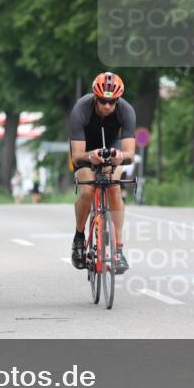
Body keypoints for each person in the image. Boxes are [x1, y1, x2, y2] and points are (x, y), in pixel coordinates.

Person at [70, 71, 136, 274]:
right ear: (95, 97)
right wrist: (91, 156)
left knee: (114, 188)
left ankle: (118, 249)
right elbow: (76, 157)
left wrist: (119, 157)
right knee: (88, 190)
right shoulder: (81, 109)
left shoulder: (126, 111)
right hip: (85, 148)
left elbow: (130, 154)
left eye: (113, 101)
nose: (107, 106)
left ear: (118, 100)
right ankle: (79, 237)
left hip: (112, 146)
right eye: (102, 101)